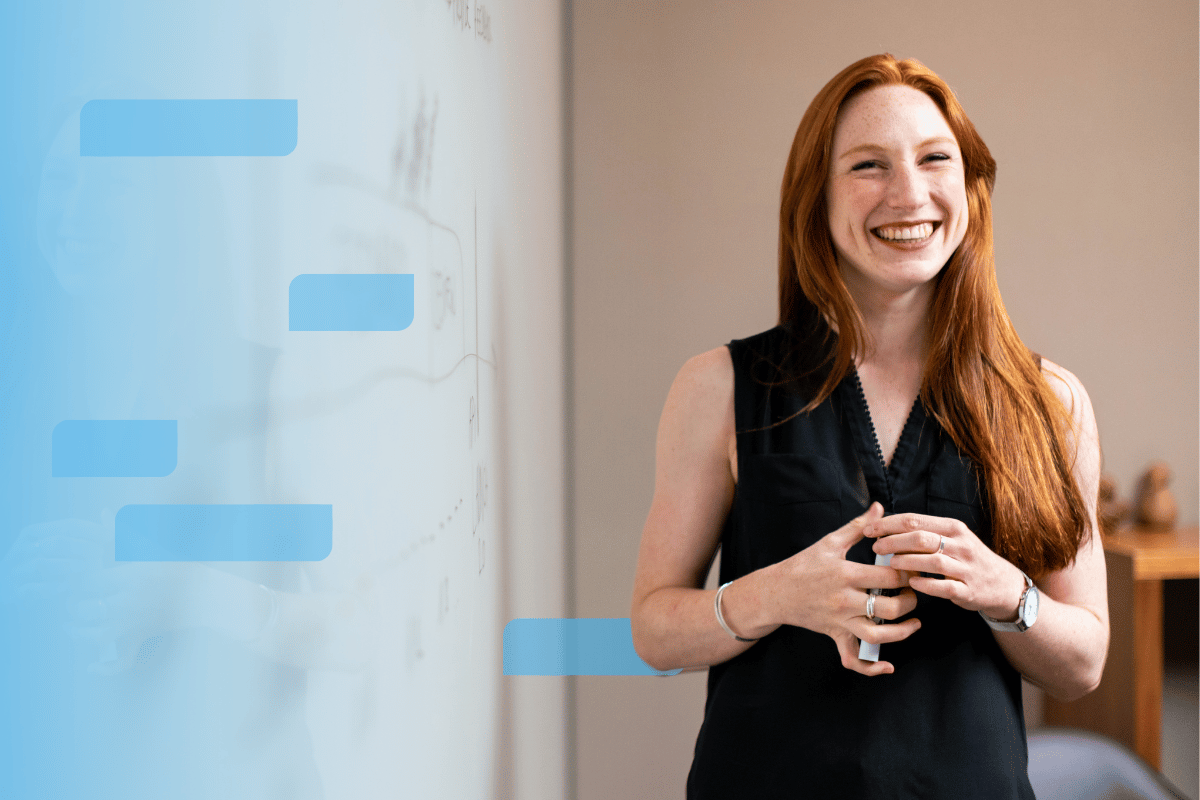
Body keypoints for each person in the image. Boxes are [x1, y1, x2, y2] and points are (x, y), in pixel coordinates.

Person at [630, 54, 1108, 799]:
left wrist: (1005, 591)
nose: (908, 193)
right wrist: (778, 595)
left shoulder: (1052, 401)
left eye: (934, 159)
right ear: (815, 198)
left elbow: (1083, 664)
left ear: (971, 188)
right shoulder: (718, 388)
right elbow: (654, 630)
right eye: (868, 166)